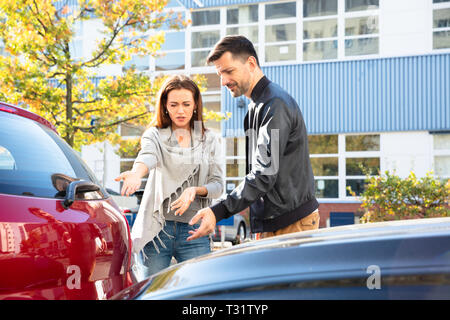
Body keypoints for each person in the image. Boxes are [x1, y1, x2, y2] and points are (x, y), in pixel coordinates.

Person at [187, 35, 320, 242]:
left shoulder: (274, 105)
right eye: (220, 74)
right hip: (273, 222)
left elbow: (264, 174)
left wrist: (218, 211)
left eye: (229, 71)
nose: (224, 81)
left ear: (251, 63)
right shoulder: (255, 107)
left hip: (292, 223)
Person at [115, 74, 223, 278]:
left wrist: (195, 190)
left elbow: (218, 185)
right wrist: (137, 173)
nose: (180, 110)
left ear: (195, 105)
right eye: (173, 104)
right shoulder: (154, 134)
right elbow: (147, 155)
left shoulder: (209, 139)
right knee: (152, 293)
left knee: (199, 292)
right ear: (165, 105)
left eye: (186, 104)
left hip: (194, 230)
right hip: (158, 231)